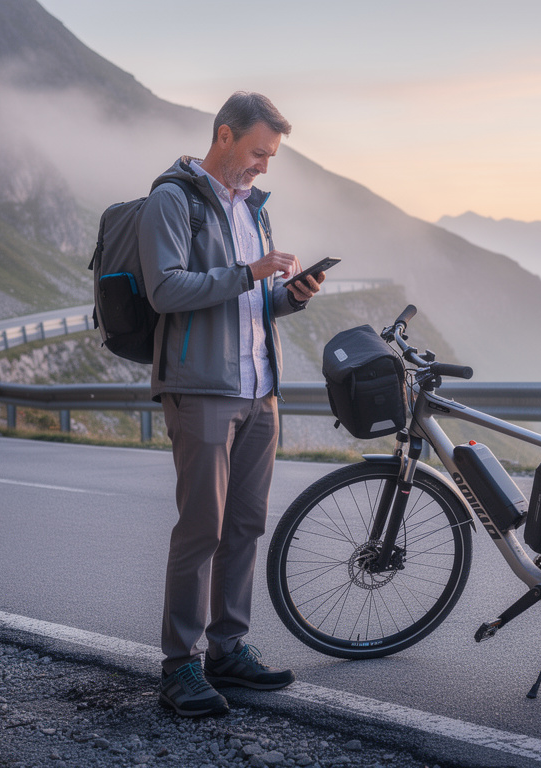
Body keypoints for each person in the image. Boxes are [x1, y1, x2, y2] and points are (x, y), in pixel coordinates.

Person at [137, 92, 324, 717]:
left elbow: (253, 301)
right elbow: (166, 289)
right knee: (202, 529)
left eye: (270, 156)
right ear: (224, 135)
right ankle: (180, 665)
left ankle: (228, 649)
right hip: (202, 388)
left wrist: (288, 296)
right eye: (258, 153)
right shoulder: (173, 201)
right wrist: (249, 272)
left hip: (259, 390)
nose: (264, 167)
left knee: (244, 526)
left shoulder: (254, 210)